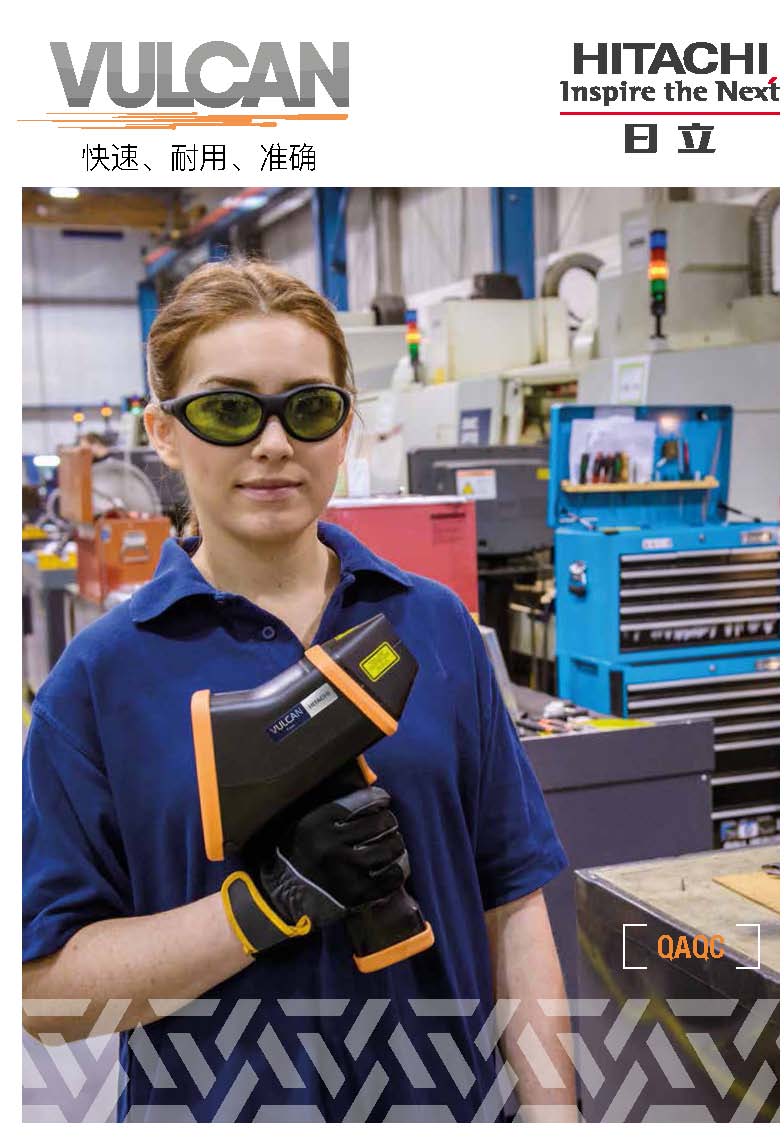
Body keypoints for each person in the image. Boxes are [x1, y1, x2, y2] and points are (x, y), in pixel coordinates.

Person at [22, 260, 575, 1123]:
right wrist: (262, 908)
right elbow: (46, 997)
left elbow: (514, 899)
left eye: (308, 408)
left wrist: (554, 1116)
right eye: (228, 410)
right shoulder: (98, 682)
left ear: (344, 429)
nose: (274, 443)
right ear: (163, 433)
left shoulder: (435, 629)